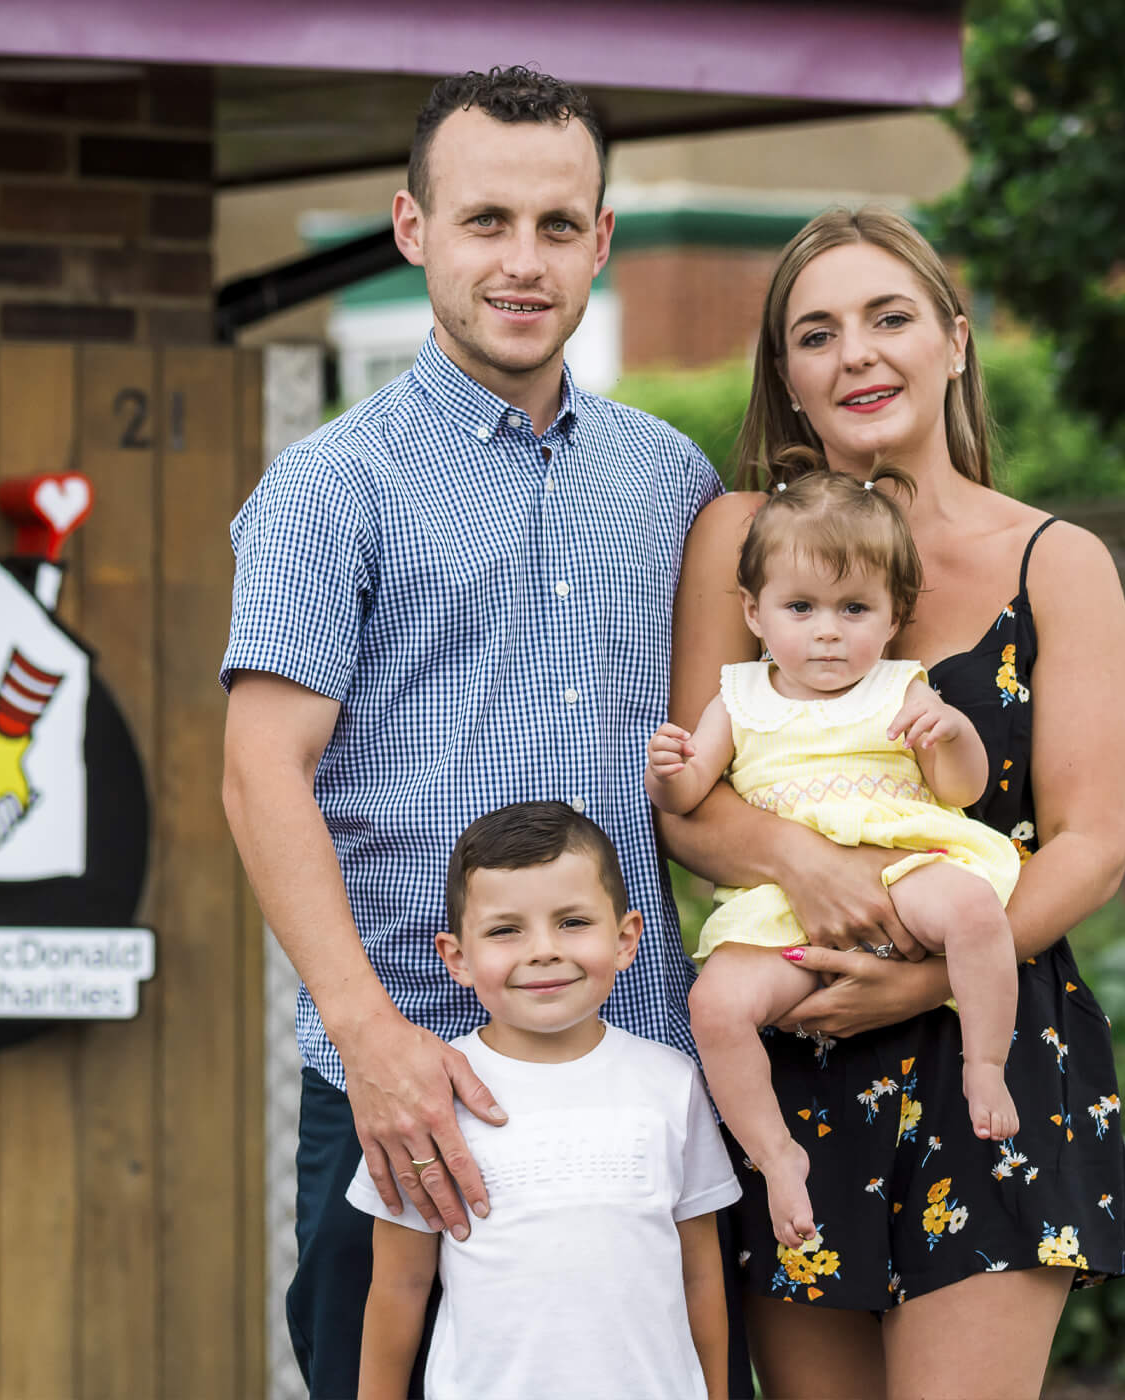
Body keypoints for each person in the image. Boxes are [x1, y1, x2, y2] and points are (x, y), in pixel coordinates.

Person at [220, 66, 729, 1396]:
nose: (524, 261)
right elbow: (259, 772)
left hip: (634, 1089)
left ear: (603, 241)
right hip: (410, 1082)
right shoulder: (332, 491)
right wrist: (374, 1039)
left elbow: (718, 765)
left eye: (559, 226)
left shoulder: (673, 482)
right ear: (413, 230)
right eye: (486, 221)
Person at [661, 207, 1125, 1399]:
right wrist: (804, 865)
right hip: (797, 1045)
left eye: (888, 318)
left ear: (955, 341)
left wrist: (929, 976)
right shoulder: (742, 539)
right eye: (816, 333)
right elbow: (689, 798)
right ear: (785, 373)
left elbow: (1089, 843)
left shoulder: (1059, 561)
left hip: (984, 1044)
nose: (857, 355)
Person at [646, 466, 1024, 1250]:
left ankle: (985, 1062)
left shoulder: (902, 687)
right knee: (716, 1006)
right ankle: (775, 1154)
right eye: (801, 608)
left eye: (855, 609)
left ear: (893, 619)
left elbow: (960, 792)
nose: (827, 631)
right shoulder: (740, 697)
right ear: (754, 612)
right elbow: (685, 803)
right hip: (780, 899)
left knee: (974, 911)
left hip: (898, 862)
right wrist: (672, 771)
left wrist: (951, 737)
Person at [351, 802, 739, 1400]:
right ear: (457, 957)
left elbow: (699, 1276)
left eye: (573, 922)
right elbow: (398, 1286)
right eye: (507, 930)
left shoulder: (673, 1081)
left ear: (625, 938)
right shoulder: (430, 1099)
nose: (542, 951)